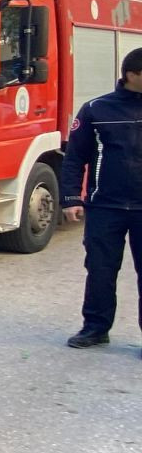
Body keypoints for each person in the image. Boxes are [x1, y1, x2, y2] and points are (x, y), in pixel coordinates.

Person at [60, 47, 142, 353]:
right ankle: (95, 328)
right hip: (105, 206)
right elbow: (74, 157)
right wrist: (70, 198)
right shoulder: (97, 109)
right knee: (101, 270)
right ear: (132, 75)